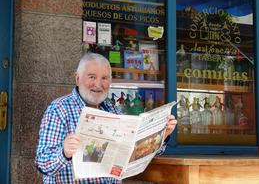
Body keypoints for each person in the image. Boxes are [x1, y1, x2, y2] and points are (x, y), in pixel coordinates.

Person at [35, 52, 177, 184]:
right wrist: (64, 152)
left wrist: (162, 135)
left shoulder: (114, 110)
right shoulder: (59, 109)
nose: (98, 84)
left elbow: (132, 154)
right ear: (77, 79)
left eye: (104, 78)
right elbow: (42, 163)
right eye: (92, 77)